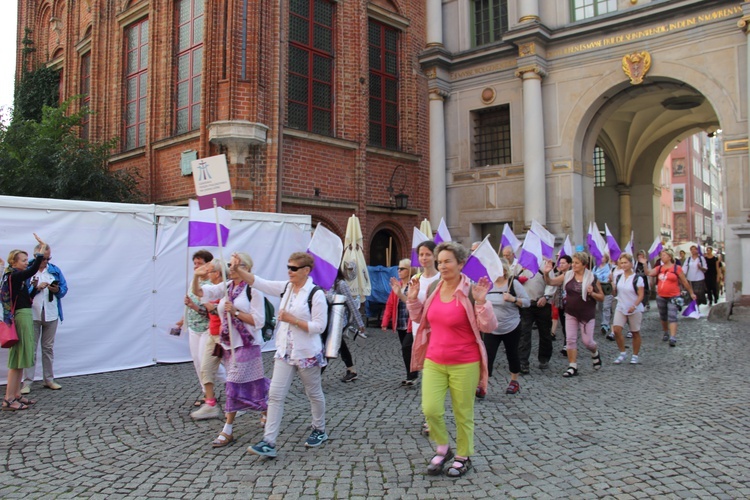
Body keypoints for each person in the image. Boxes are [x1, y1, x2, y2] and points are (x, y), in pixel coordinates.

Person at [407, 242, 497, 478]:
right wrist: (414, 299)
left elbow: (489, 326)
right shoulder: (435, 287)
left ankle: (463, 455)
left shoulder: (470, 289)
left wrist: (481, 303)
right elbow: (421, 318)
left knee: (462, 412)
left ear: (460, 263)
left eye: (448, 261)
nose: (442, 266)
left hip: (464, 361)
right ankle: (443, 447)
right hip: (434, 359)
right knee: (431, 409)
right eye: (440, 262)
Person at [244, 252, 329, 458]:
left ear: (306, 271)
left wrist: (292, 319)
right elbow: (260, 283)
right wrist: (238, 270)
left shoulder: (315, 294)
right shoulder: (286, 288)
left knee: (313, 392)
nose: (289, 271)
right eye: (288, 267)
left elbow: (319, 326)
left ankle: (319, 429)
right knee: (275, 395)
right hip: (284, 351)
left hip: (306, 352)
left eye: (293, 268)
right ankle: (269, 441)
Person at [190, 252, 269, 447]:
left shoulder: (253, 290)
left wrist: (234, 311)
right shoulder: (226, 287)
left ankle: (228, 429)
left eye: (236, 265)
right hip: (228, 344)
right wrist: (196, 276)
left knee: (233, 384)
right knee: (253, 384)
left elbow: (258, 321)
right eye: (230, 264)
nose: (231, 268)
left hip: (247, 344)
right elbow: (200, 293)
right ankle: (266, 409)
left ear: (247, 268)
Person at [2, 237, 48, 410]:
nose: (25, 263)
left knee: (22, 357)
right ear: (14, 262)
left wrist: (36, 289)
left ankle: (16, 394)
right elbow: (32, 269)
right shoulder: (14, 275)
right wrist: (40, 253)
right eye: (23, 260)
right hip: (20, 317)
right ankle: (8, 398)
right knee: (17, 359)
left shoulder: (18, 279)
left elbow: (24, 299)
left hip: (24, 314)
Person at [543, 252, 605, 378]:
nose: (574, 265)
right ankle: (572, 366)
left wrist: (592, 293)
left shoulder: (592, 278)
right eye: (573, 263)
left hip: (587, 314)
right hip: (571, 312)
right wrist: (546, 273)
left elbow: (601, 297)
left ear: (584, 264)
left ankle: (595, 352)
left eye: (577, 263)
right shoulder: (567, 275)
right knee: (570, 340)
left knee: (587, 342)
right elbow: (551, 282)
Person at [22, 239, 68, 393]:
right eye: (44, 258)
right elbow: (21, 293)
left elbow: (64, 289)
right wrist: (35, 288)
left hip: (51, 313)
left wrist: (56, 290)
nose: (46, 261)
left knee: (48, 348)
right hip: (33, 313)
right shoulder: (28, 270)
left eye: (49, 258)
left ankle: (48, 379)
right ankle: (27, 382)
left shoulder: (54, 270)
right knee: (31, 348)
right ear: (37, 256)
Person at [482, 258, 529, 396]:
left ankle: (514, 381)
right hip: (492, 327)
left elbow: (527, 302)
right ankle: (483, 384)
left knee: (512, 354)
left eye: (497, 269)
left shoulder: (512, 284)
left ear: (504, 270)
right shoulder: (488, 285)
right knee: (487, 356)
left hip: (511, 326)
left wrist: (514, 299)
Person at [190, 259, 228, 420]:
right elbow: (197, 291)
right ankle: (210, 404)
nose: (208, 274)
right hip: (213, 334)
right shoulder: (213, 289)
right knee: (205, 368)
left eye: (210, 271)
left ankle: (241, 402)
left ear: (217, 273)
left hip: (226, 336)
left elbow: (213, 311)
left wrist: (205, 307)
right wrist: (196, 276)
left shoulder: (226, 288)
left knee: (236, 372)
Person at [638, 249, 696, 347]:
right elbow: (648, 273)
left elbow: (684, 281)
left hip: (674, 295)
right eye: (661, 255)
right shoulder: (659, 268)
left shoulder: (676, 268)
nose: (662, 257)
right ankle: (665, 331)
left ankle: (673, 337)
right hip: (661, 295)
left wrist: (691, 293)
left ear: (670, 257)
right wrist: (644, 264)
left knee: (672, 315)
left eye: (664, 255)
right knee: (663, 316)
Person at [324, 264, 366, 382]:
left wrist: (360, 323)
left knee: (330, 346)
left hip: (339, 321)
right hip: (328, 320)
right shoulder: (325, 284)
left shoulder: (341, 284)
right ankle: (351, 370)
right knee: (340, 345)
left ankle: (316, 376)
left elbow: (351, 303)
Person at [182, 249, 213, 407]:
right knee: (197, 362)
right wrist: (182, 320)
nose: (196, 266)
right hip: (194, 328)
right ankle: (207, 394)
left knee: (205, 362)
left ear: (208, 265)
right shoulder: (194, 282)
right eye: (194, 263)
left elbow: (210, 312)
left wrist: (193, 306)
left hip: (207, 328)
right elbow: (189, 304)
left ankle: (231, 382)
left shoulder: (212, 285)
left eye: (199, 263)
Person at [382, 258, 417, 385]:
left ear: (409, 270)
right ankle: (411, 374)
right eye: (398, 268)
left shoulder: (414, 284)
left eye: (402, 269)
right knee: (406, 349)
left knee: (406, 347)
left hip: (412, 323)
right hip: (401, 323)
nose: (399, 271)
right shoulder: (399, 285)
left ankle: (412, 375)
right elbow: (390, 304)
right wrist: (385, 321)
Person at [517, 263, 556, 373]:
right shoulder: (521, 264)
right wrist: (517, 278)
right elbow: (512, 280)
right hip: (526, 304)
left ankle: (544, 358)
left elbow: (551, 283)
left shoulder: (544, 264)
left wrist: (546, 296)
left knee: (544, 333)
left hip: (542, 303)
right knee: (524, 333)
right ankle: (523, 361)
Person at [611, 253, 645, 364]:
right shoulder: (619, 277)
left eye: (625, 262)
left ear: (631, 263)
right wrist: (612, 288)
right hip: (621, 306)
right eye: (621, 263)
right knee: (616, 330)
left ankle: (635, 355)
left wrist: (634, 305)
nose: (623, 265)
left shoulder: (637, 278)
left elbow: (641, 295)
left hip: (634, 308)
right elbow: (615, 292)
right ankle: (622, 352)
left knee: (635, 332)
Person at [552, 255, 572, 356]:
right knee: (564, 324)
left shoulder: (572, 274)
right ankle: (566, 342)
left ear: (569, 264)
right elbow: (552, 283)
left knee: (569, 325)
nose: (561, 265)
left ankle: (567, 344)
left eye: (564, 263)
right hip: (559, 303)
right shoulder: (557, 274)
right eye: (560, 263)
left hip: (569, 304)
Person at [594, 254, 615, 339]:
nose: (601, 259)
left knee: (606, 307)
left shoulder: (610, 267)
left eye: (603, 257)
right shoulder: (595, 267)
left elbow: (612, 277)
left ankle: (605, 324)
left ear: (606, 259)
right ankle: (604, 321)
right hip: (598, 289)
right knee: (600, 307)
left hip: (607, 288)